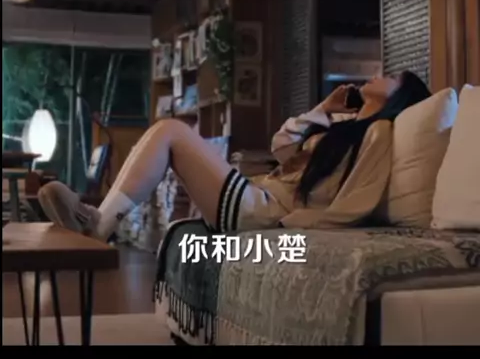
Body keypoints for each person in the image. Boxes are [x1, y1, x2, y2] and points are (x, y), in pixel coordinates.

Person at [38, 70, 431, 241]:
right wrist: (323, 110)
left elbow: (358, 197)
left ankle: (98, 225)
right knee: (164, 131)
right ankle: (98, 221)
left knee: (171, 131)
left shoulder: (379, 132)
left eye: (391, 76)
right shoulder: (343, 125)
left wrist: (299, 223)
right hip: (260, 195)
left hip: (264, 211)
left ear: (401, 96)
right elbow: (282, 146)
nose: (379, 74)